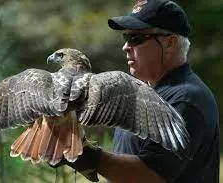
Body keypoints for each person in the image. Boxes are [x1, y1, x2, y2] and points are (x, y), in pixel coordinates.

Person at [53, 0, 220, 182]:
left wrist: (86, 156)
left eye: (136, 38)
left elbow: (150, 175)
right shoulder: (143, 92)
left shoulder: (185, 99)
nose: (126, 47)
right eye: (125, 38)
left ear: (170, 43)